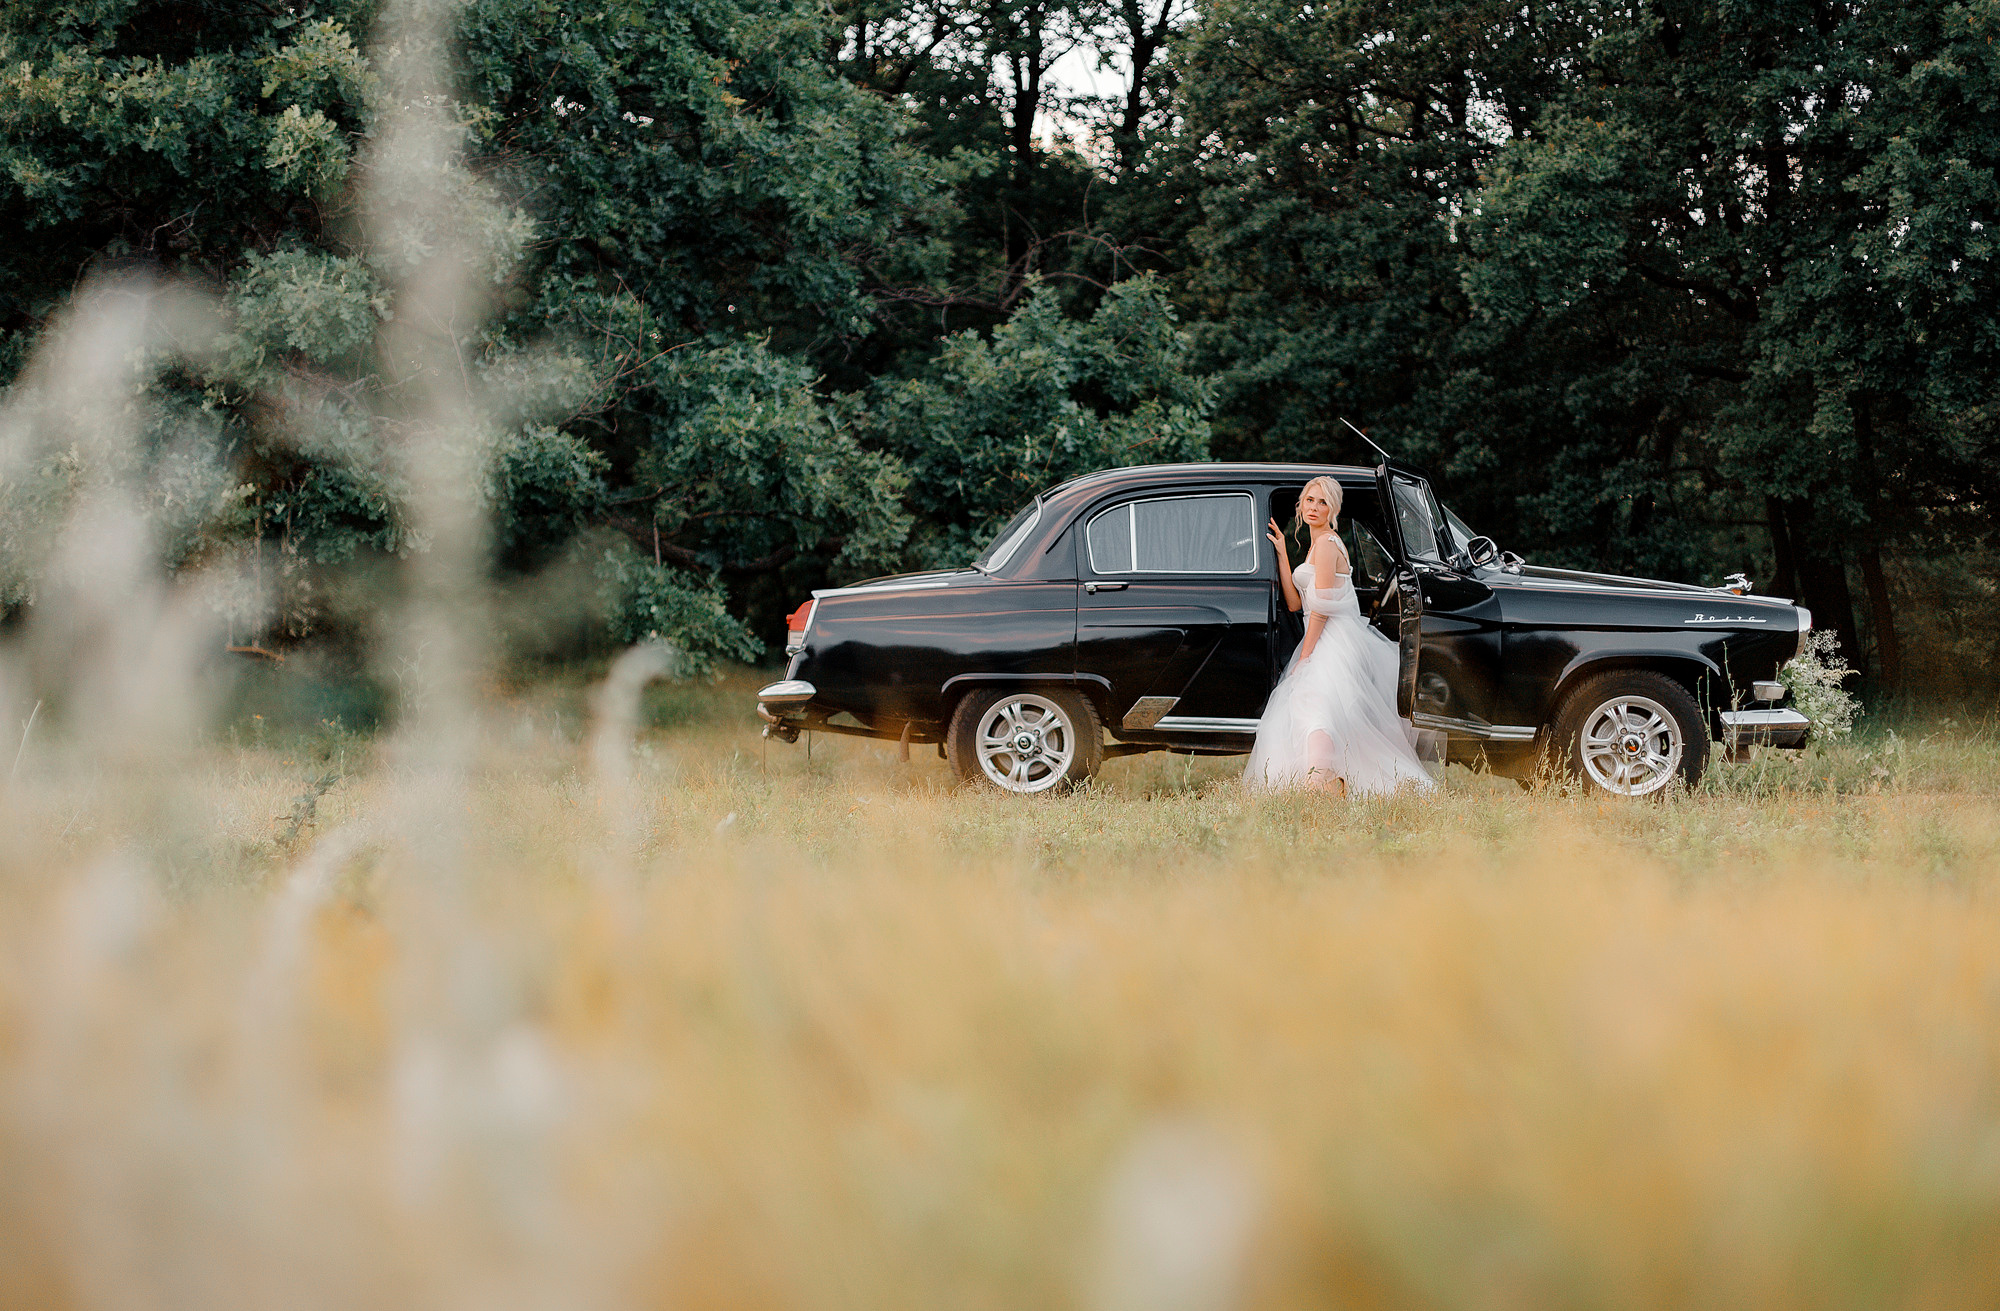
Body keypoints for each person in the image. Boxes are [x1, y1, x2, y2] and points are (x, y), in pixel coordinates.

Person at [1244, 475, 1437, 795]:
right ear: (1301, 504)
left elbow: (1319, 610)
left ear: (1333, 509)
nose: (1315, 507)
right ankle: (1324, 779)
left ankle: (1321, 779)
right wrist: (1281, 553)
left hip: (1333, 640)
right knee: (1317, 707)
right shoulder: (1315, 547)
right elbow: (1296, 604)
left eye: (1323, 502)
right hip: (1321, 636)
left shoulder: (1328, 544)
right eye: (1310, 500)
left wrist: (1305, 657)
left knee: (1316, 704)